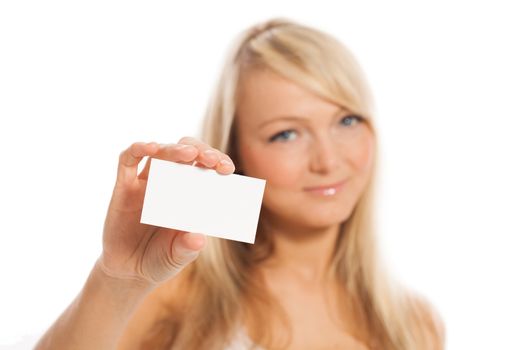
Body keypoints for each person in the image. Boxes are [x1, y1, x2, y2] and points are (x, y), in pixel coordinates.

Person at [35, 17, 445, 350]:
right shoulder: (174, 298)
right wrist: (118, 279)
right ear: (237, 151)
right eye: (286, 134)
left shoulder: (413, 325)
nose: (329, 160)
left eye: (347, 121)